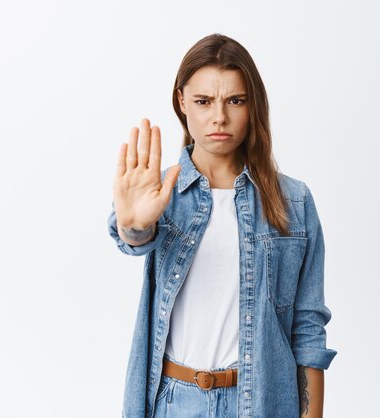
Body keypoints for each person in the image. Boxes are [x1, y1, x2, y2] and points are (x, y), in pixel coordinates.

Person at [108, 33, 336, 418]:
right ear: (182, 101)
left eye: (235, 100)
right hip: (173, 402)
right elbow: (133, 235)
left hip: (260, 403)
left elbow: (308, 326)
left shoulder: (294, 202)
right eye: (203, 101)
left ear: (253, 105)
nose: (219, 117)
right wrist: (133, 226)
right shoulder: (161, 194)